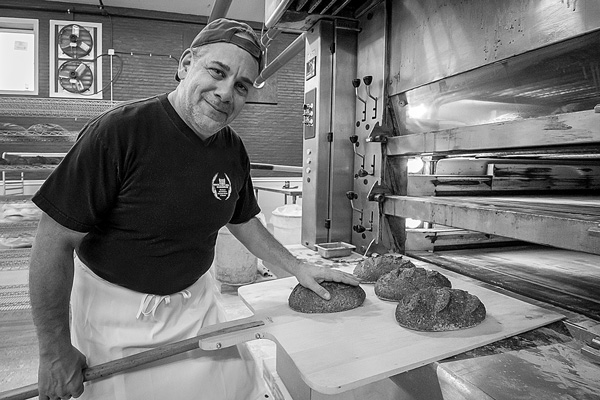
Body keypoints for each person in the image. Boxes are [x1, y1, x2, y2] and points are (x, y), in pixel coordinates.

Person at [29, 18, 359, 400]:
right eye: (216, 72)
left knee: (236, 391)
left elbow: (244, 221)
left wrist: (298, 268)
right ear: (187, 64)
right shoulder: (119, 133)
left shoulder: (231, 149)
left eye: (240, 86)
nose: (225, 93)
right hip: (115, 319)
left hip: (196, 309)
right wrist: (54, 352)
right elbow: (53, 242)